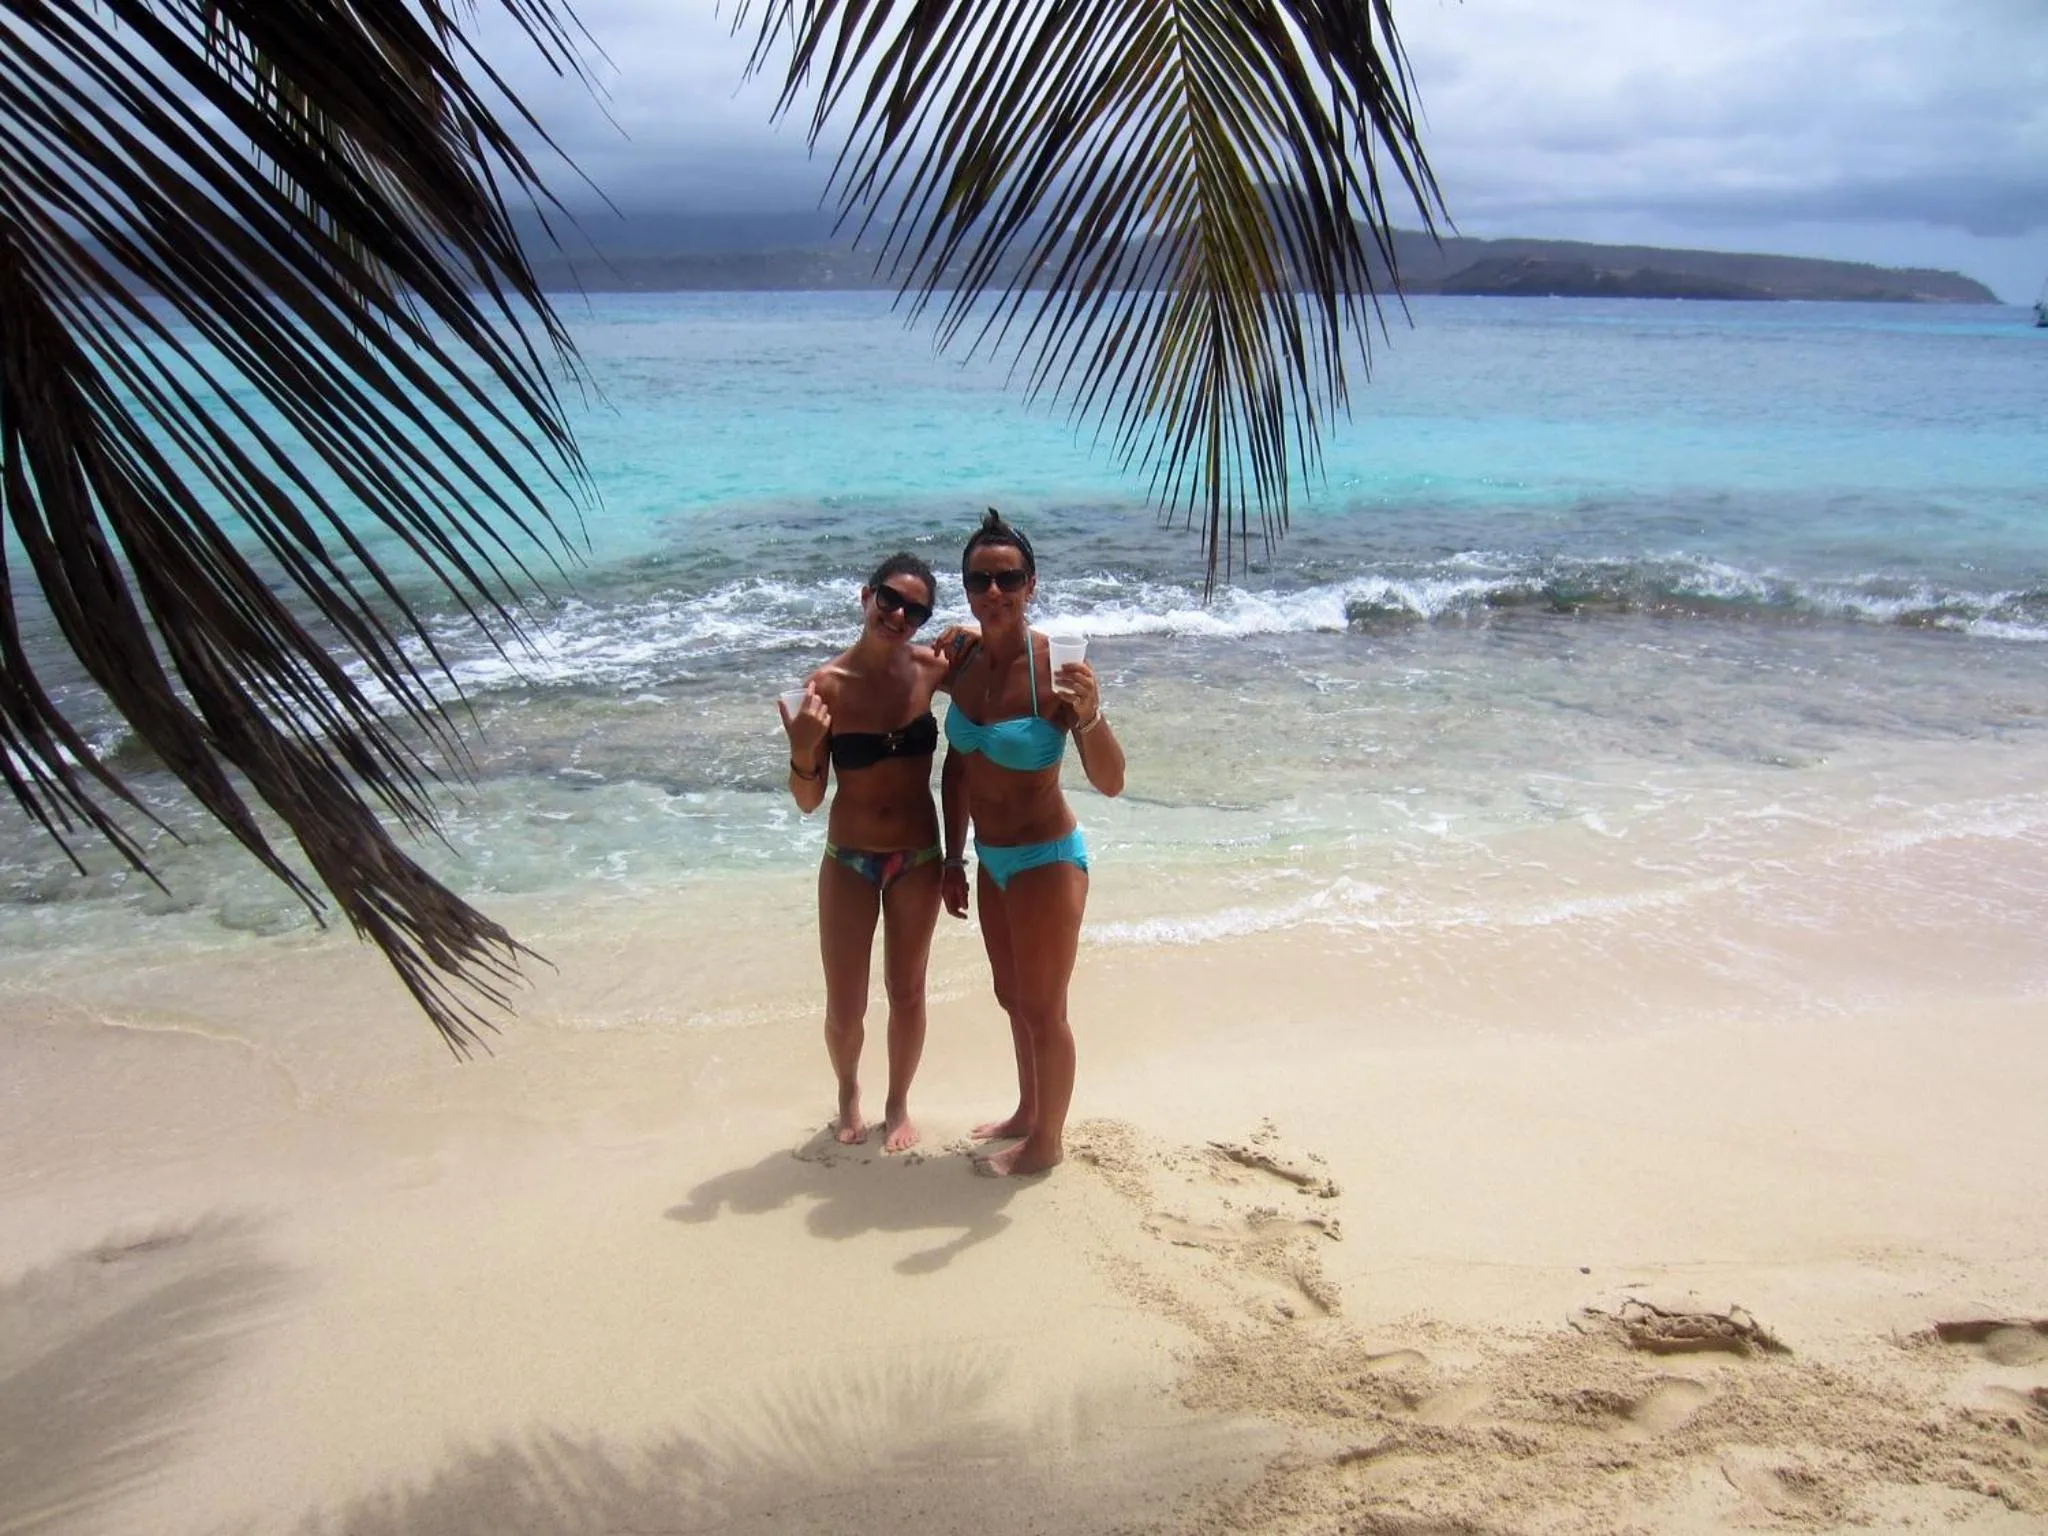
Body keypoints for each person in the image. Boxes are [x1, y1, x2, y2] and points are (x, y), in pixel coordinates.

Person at [940, 510, 1126, 1176]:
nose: (994, 591)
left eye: (1008, 577)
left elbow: (1111, 781)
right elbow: (956, 765)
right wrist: (950, 856)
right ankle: (1027, 1111)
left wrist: (1093, 713)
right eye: (980, 579)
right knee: (1011, 995)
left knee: (1045, 1009)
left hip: (1047, 858)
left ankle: (1046, 1143)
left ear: (1032, 583)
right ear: (965, 588)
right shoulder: (957, 658)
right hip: (990, 861)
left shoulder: (1058, 666)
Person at [782, 553, 950, 1152]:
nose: (900, 614)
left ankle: (898, 1102)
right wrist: (803, 750)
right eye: (890, 599)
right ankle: (848, 1091)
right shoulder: (824, 687)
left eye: (917, 609)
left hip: (919, 857)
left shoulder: (933, 669)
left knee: (907, 990)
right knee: (845, 1005)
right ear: (866, 595)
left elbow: (993, 684)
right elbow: (808, 799)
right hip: (849, 858)